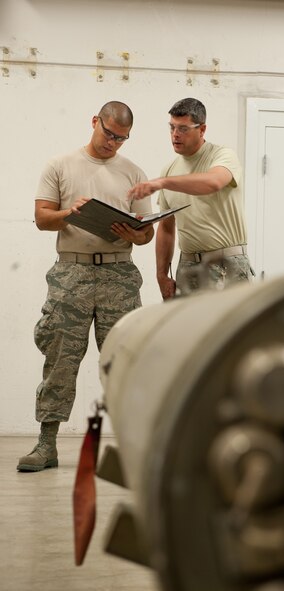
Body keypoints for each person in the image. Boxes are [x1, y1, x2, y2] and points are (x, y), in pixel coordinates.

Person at [17, 101, 154, 472]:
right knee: (60, 356)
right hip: (71, 275)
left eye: (121, 139)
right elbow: (43, 218)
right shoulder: (60, 166)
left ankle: (131, 448)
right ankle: (46, 445)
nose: (113, 143)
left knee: (124, 361)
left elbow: (147, 233)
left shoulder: (133, 173)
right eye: (109, 134)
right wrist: (70, 214)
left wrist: (136, 234)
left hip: (119, 276)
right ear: (94, 121)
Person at [128, 97, 253, 299]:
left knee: (227, 330)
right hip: (187, 266)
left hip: (225, 264)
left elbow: (213, 183)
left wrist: (163, 183)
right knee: (188, 330)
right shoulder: (169, 169)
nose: (175, 135)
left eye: (183, 129)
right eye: (172, 128)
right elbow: (166, 228)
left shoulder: (222, 155)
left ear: (202, 129)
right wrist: (161, 275)